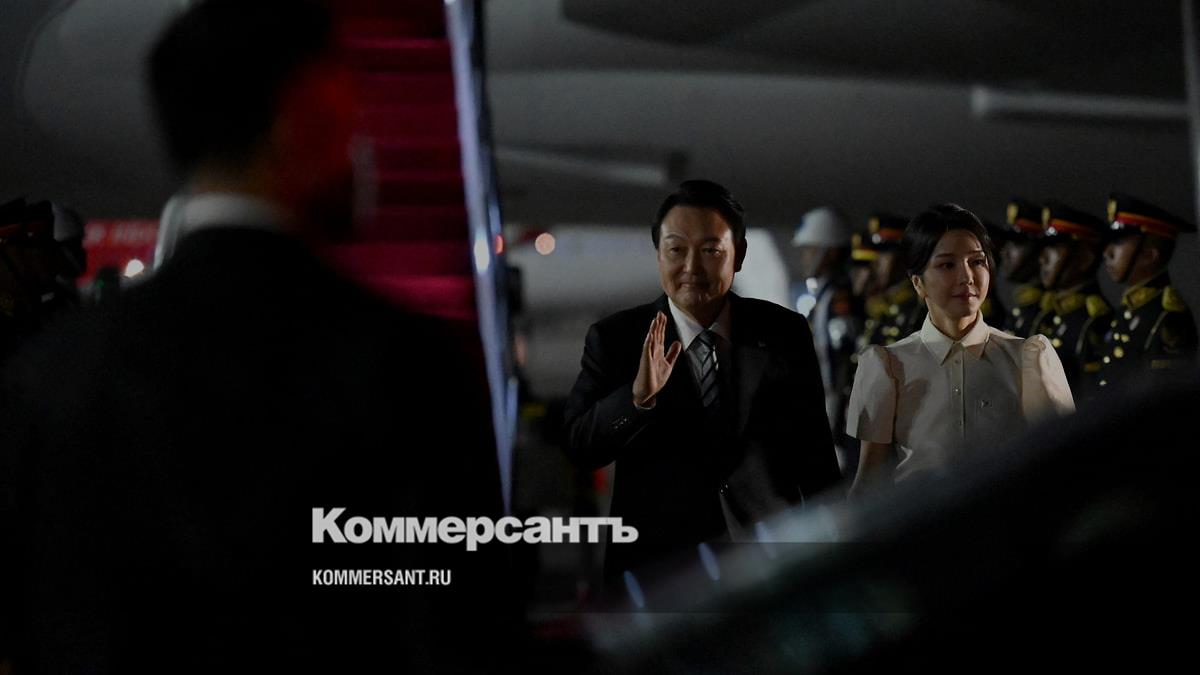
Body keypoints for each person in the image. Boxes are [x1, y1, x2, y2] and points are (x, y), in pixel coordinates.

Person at [0, 1, 509, 671]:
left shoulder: (55, 372)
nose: (363, 152)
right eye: (348, 119)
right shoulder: (404, 364)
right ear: (298, 122)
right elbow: (458, 618)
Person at [563, 179, 839, 584]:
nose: (691, 268)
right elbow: (579, 446)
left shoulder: (783, 332)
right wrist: (636, 400)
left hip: (768, 562)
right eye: (676, 250)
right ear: (659, 254)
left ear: (738, 255)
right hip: (662, 571)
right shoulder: (618, 338)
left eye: (711, 250)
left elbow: (815, 457)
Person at [846, 204, 1074, 494]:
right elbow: (869, 480)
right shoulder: (888, 365)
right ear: (918, 283)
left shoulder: (1029, 357)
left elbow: (1061, 462)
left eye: (977, 262)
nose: (967, 277)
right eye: (947, 265)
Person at [1094, 193, 1198, 389]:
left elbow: (1165, 394)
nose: (1107, 253)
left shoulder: (1168, 317)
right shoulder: (1131, 307)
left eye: (1119, 243)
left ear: (1149, 255)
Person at [790, 206, 858, 475]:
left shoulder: (838, 298)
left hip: (837, 412)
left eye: (810, 250)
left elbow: (843, 362)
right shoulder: (823, 297)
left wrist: (834, 420)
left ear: (829, 252)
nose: (804, 257)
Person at [1030, 201, 1113, 395]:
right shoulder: (1049, 316)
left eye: (1053, 248)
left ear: (1085, 258)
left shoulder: (1094, 322)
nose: (1042, 259)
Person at [859, 213, 924, 348]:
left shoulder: (917, 310)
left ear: (904, 257)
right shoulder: (881, 307)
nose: (875, 262)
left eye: (883, 253)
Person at [999, 198, 1046, 338]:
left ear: (1038, 251)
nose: (1005, 252)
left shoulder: (1045, 313)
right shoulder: (1021, 307)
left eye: (1016, 244)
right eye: (1006, 243)